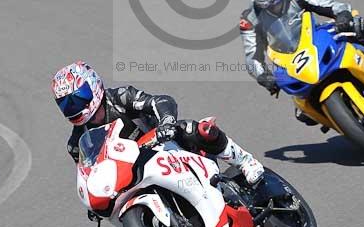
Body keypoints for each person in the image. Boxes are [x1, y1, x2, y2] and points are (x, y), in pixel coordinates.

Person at [51, 61, 264, 187]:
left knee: (194, 129)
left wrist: (167, 123)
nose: (74, 106)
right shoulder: (76, 144)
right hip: (132, 175)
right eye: (66, 104)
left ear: (93, 84)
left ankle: (245, 161)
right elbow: (89, 176)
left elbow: (161, 101)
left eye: (78, 98)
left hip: (164, 146)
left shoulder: (120, 98)